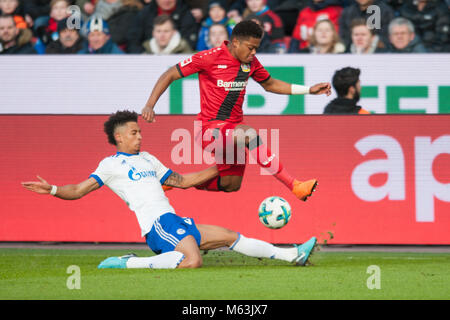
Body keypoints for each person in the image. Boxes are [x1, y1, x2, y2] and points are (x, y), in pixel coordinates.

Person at [21, 110, 317, 269]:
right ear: (119, 137)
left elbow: (182, 181)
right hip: (156, 226)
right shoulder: (109, 164)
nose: (139, 136)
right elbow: (78, 189)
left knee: (229, 236)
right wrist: (53, 189)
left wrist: (223, 167)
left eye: (139, 132)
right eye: (134, 132)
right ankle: (130, 264)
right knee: (192, 261)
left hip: (173, 221)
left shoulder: (148, 158)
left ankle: (293, 256)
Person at [141, 20, 331, 202]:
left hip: (232, 133)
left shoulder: (251, 63)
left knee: (231, 184)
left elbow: (270, 84)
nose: (253, 52)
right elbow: (170, 74)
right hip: (209, 130)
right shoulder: (209, 58)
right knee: (248, 133)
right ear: (236, 42)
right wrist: (150, 104)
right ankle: (295, 185)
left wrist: (308, 90)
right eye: (250, 47)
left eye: (256, 48)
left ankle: (176, 181)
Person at [127, 0, 199, 53]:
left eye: (166, 31)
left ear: (174, 32)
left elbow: (190, 42)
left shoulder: (186, 13)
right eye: (158, 31)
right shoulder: (145, 13)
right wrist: (143, 58)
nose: (166, 1)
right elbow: (133, 40)